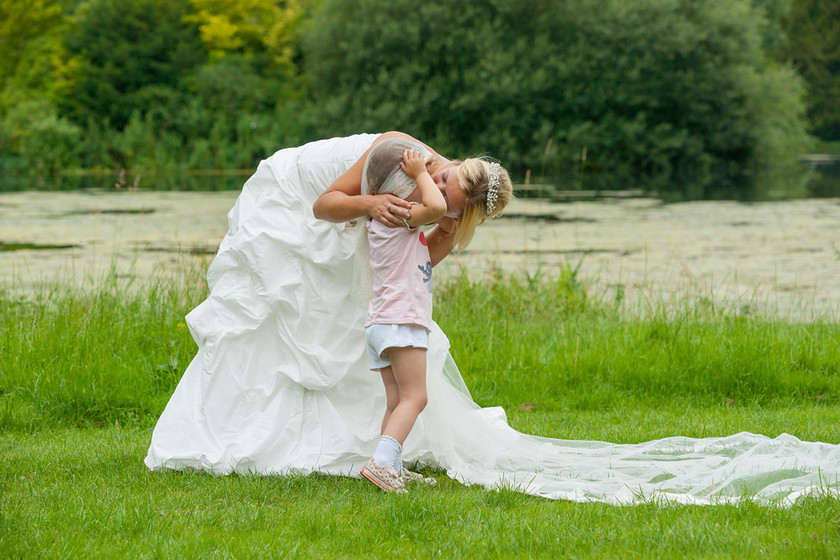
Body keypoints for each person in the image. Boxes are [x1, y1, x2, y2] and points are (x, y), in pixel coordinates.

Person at [146, 132, 840, 505]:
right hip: (322, 198)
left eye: (460, 213)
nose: (450, 213)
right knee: (402, 387)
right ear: (444, 175)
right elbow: (331, 204)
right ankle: (378, 462)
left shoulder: (433, 217)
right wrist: (378, 203)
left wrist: (441, 222)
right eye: (449, 198)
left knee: (388, 383)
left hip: (384, 308)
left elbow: (430, 246)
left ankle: (371, 454)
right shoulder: (401, 162)